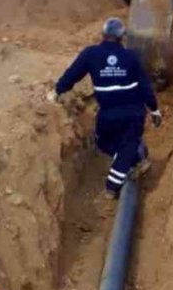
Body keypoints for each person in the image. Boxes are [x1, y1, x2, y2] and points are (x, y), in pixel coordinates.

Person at [48, 17, 162, 197]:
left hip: (109, 114)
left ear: (102, 35)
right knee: (122, 145)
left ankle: (112, 186)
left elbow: (72, 75)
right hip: (133, 113)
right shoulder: (131, 57)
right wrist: (154, 109)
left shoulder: (90, 54)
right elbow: (145, 87)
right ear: (122, 37)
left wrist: (57, 91)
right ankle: (132, 163)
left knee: (107, 142)